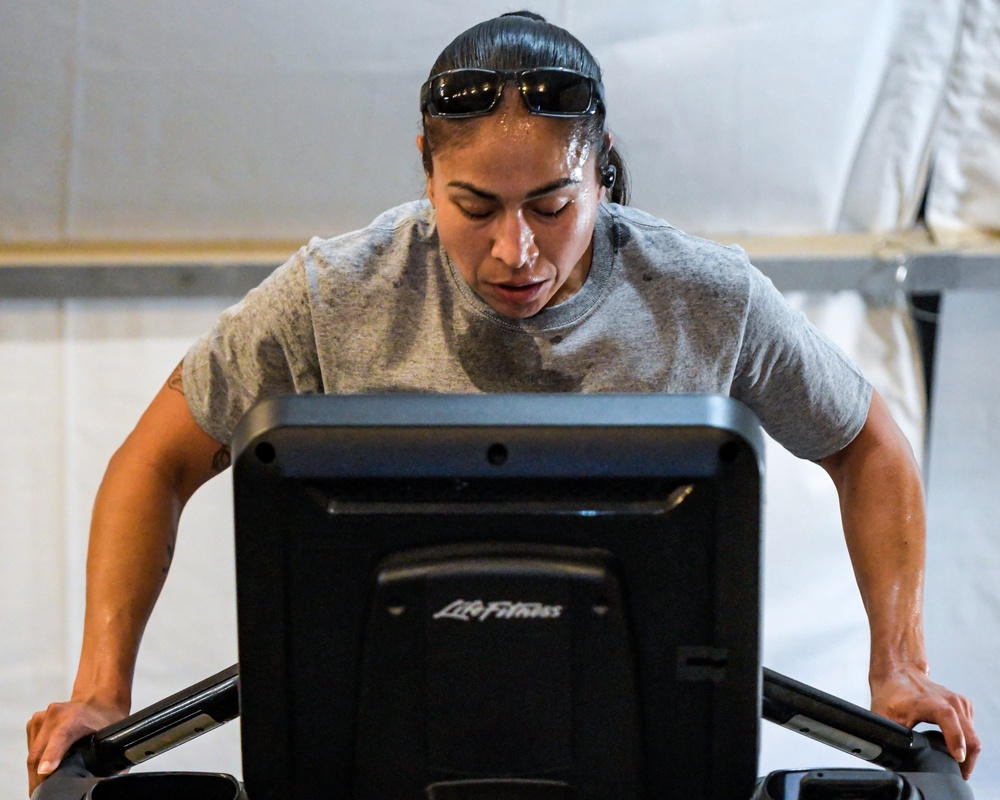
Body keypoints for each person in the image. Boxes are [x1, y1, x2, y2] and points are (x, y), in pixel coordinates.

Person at [26, 10, 979, 794]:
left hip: (645, 762)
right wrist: (102, 691)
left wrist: (896, 665)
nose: (515, 250)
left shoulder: (704, 296)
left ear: (599, 165)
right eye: (474, 206)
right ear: (426, 172)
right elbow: (151, 461)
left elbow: (869, 445)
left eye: (554, 206)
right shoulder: (334, 294)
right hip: (377, 761)